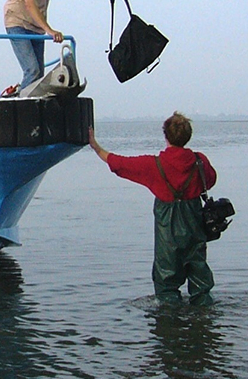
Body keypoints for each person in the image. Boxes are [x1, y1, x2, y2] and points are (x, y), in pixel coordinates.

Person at [87, 112, 218, 305]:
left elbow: (118, 163)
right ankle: (203, 324)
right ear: (188, 136)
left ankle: (169, 327)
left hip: (168, 235)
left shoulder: (154, 165)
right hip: (194, 229)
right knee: (200, 281)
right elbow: (211, 180)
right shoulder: (200, 161)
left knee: (166, 285)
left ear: (165, 136)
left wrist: (95, 146)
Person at [2, 0, 123, 92]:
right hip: (17, 23)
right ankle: (19, 106)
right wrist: (50, 30)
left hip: (36, 26)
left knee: (39, 74)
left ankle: (29, 101)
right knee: (32, 70)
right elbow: (30, 5)